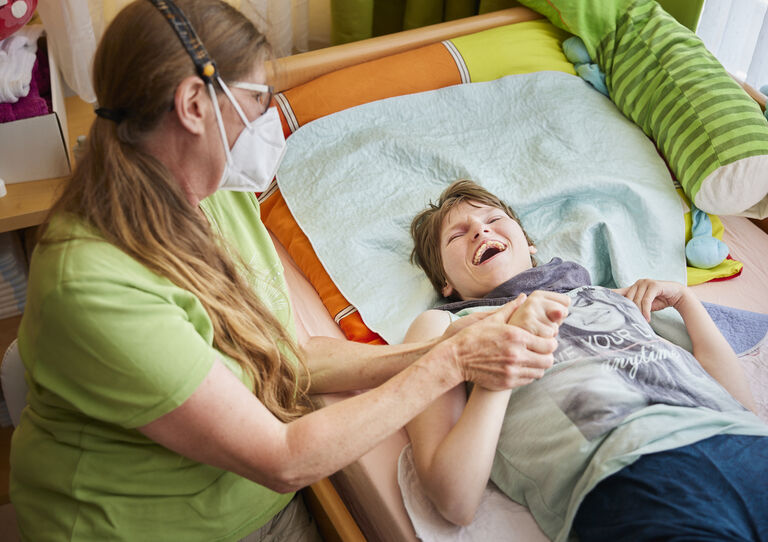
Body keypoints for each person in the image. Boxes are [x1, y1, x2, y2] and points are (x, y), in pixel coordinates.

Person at [8, 4, 557, 541]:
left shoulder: (215, 193)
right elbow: (283, 458)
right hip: (149, 524)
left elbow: (291, 355)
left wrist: (449, 342)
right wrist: (448, 361)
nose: (269, 120)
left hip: (252, 498)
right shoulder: (95, 286)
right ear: (194, 104)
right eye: (256, 99)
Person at [406, 179, 768, 541]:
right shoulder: (446, 324)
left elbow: (740, 407)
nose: (481, 230)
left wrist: (685, 302)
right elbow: (454, 499)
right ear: (444, 283)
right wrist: (506, 353)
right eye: (456, 235)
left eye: (493, 219)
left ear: (529, 243)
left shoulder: (598, 293)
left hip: (748, 443)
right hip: (633, 470)